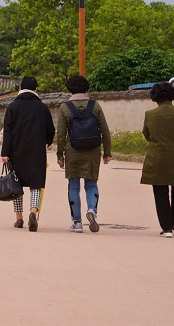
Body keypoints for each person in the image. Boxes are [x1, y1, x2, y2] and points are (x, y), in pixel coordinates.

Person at [56, 75, 112, 233]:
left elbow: (61, 134)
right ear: (86, 88)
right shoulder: (95, 106)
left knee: (73, 185)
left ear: (70, 89)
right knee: (91, 184)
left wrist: (60, 155)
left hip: (73, 150)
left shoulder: (65, 107)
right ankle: (92, 210)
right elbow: (105, 131)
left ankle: (77, 222)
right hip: (93, 149)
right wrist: (107, 152)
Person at [0, 76, 55, 232]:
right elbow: (50, 129)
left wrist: (5, 152)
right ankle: (33, 211)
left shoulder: (13, 107)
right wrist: (47, 142)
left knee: (16, 184)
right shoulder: (42, 107)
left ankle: (19, 218)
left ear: (20, 89)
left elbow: (8, 131)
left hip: (16, 150)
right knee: (36, 184)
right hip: (37, 151)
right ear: (36, 89)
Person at [140, 81, 174, 238]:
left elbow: (147, 135)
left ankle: (167, 228)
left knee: (160, 191)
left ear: (154, 97)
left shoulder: (150, 115)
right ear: (172, 95)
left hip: (157, 158)